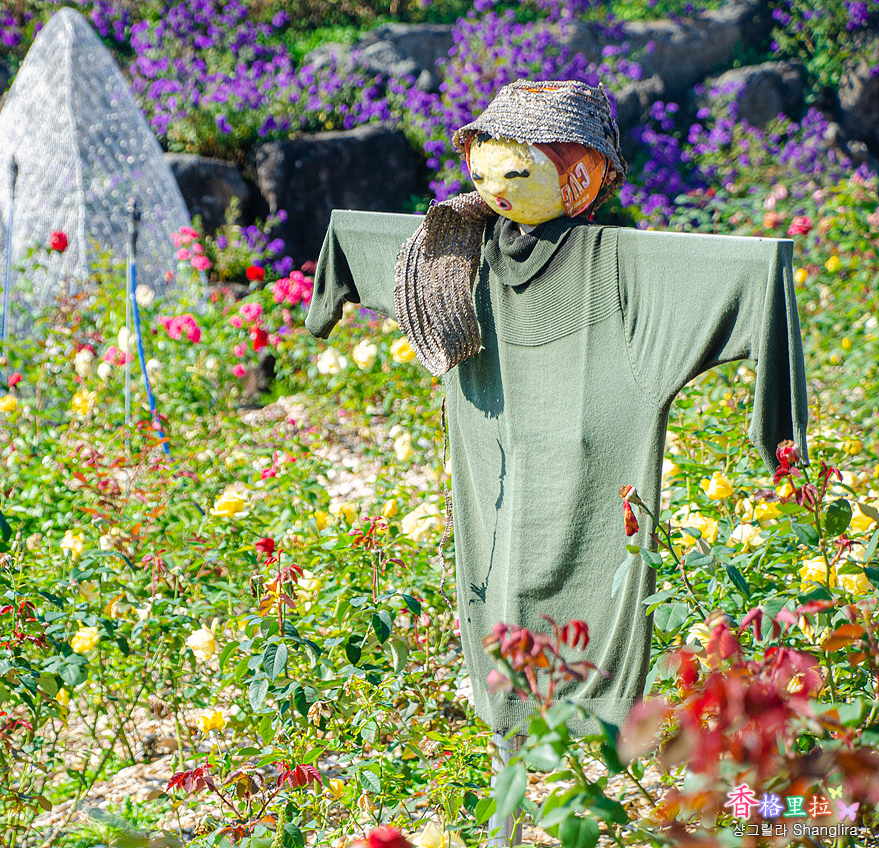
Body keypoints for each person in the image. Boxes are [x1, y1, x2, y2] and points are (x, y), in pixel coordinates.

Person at [307, 79, 809, 845]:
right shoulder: (451, 254)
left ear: (581, 178)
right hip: (494, 461)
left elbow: (754, 273)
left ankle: (599, 800)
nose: (497, 191)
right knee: (499, 616)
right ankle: (531, 804)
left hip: (598, 469)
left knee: (593, 629)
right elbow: (356, 239)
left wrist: (782, 440)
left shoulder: (625, 270)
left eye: (519, 172)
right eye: (484, 173)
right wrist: (332, 287)